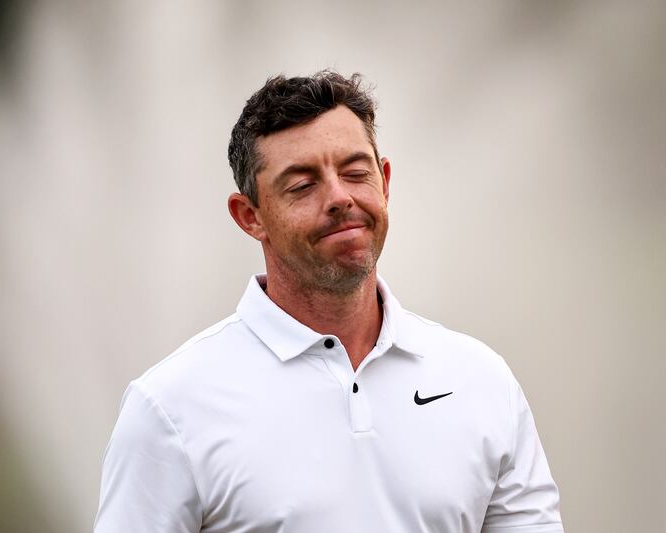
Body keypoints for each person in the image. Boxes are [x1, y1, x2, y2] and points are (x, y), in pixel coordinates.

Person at [94, 71, 563, 533]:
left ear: (383, 181)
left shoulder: (481, 381)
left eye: (355, 173)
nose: (339, 197)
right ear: (250, 216)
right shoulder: (168, 408)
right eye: (302, 185)